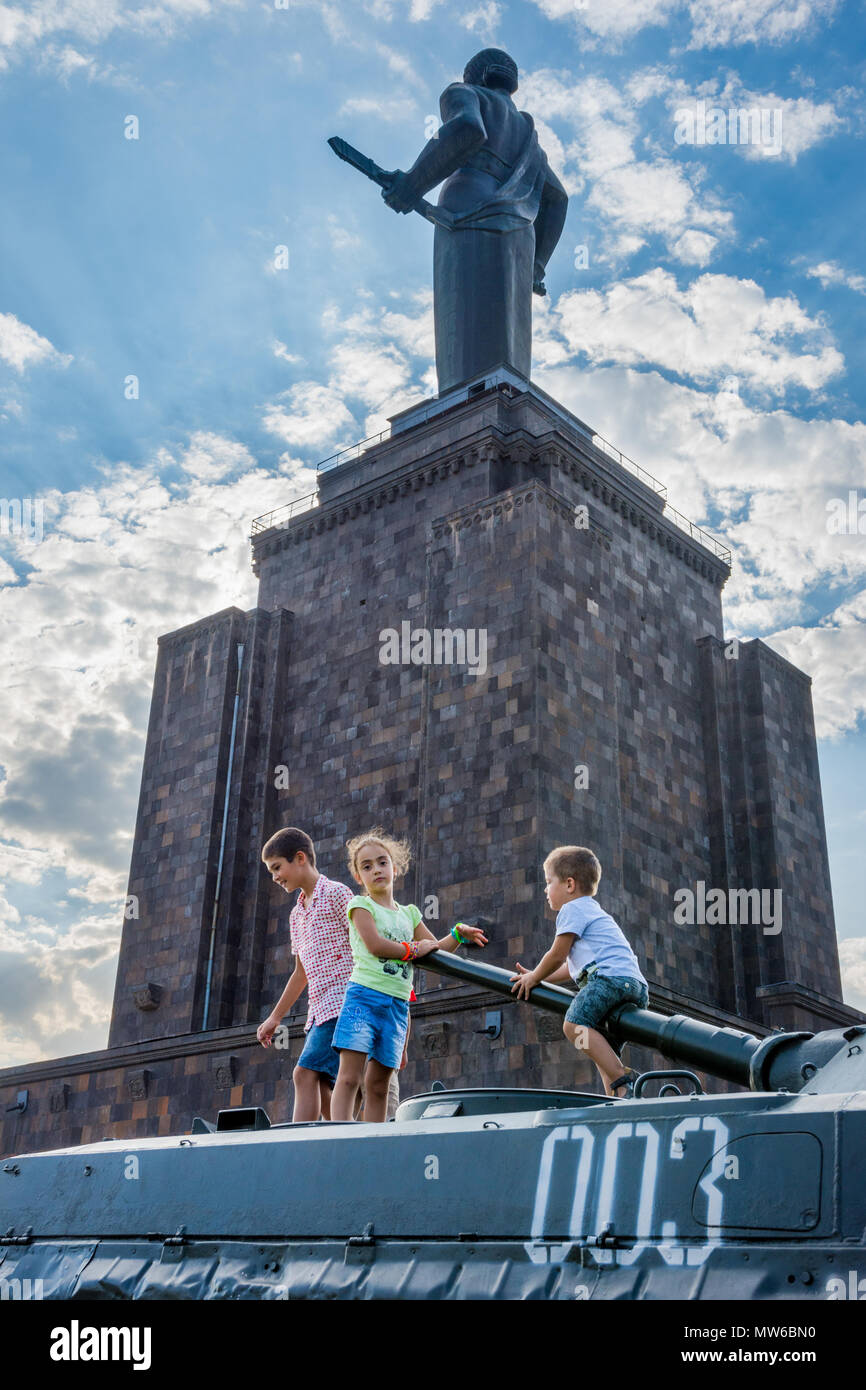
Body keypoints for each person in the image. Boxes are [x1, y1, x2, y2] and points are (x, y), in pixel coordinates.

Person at [330, 828, 489, 1122]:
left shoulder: (410, 914)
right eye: (366, 866)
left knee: (378, 1084)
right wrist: (415, 949)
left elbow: (434, 952)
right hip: (364, 998)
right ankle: (341, 1133)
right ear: (358, 876)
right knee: (350, 1076)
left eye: (381, 862)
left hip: (397, 1006)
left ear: (394, 866)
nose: (376, 870)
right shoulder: (360, 906)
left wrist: (457, 934)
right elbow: (376, 945)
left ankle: (374, 1142)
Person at [510, 845, 648, 1098]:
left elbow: (556, 955)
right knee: (600, 1049)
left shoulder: (571, 909)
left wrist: (534, 976)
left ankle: (622, 1077)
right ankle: (617, 1099)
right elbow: (568, 969)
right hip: (632, 985)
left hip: (609, 981)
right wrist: (535, 975)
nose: (545, 889)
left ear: (569, 884)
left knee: (574, 1026)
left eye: (549, 882)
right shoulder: (593, 910)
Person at [257, 827, 353, 1122]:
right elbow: (301, 972)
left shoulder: (338, 894)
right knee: (323, 1090)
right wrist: (275, 1017)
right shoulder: (296, 915)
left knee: (304, 1073)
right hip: (317, 1011)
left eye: (277, 867)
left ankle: (302, 1146)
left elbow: (365, 942)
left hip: (343, 1003)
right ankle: (338, 1139)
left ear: (299, 858)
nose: (274, 876)